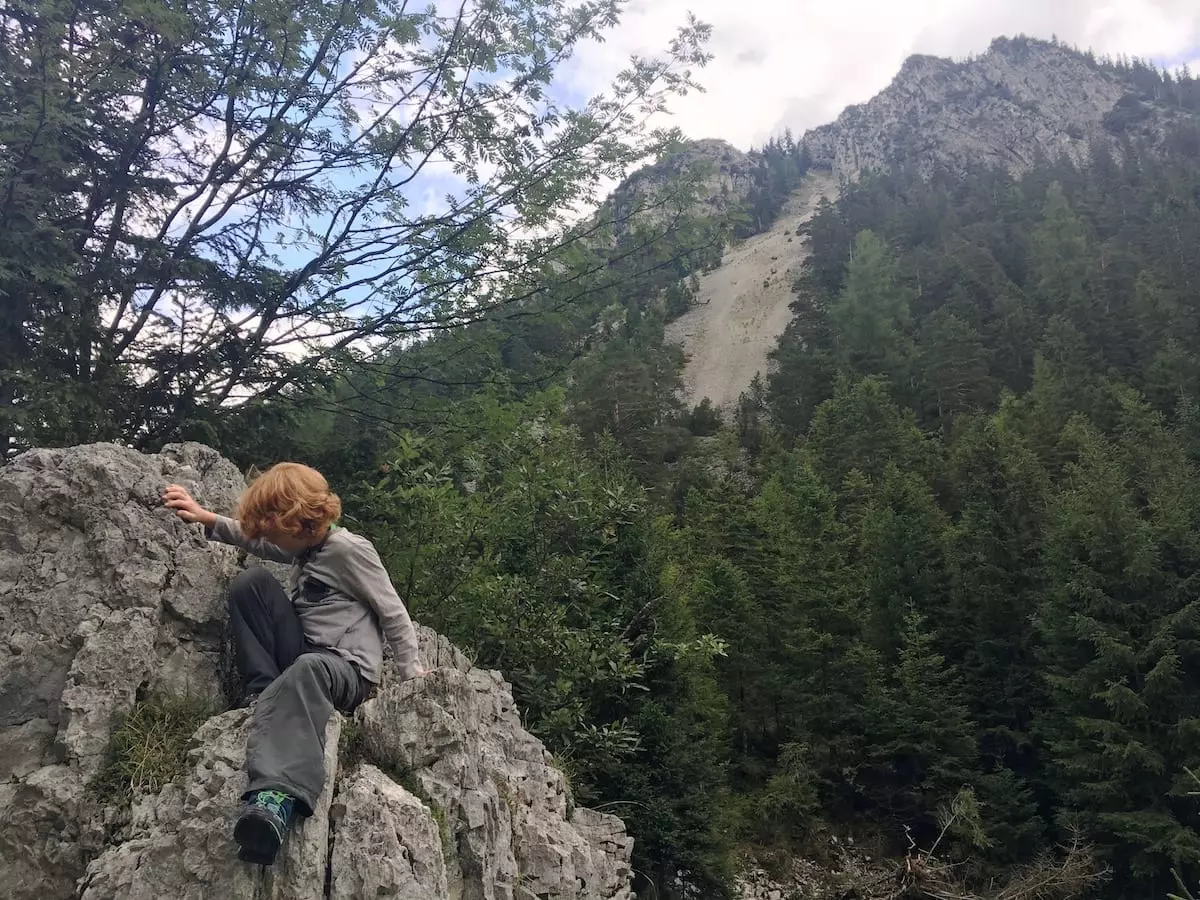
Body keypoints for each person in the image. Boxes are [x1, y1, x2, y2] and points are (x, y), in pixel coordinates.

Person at [163, 463, 426, 865]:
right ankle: (264, 693)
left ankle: (276, 797)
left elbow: (393, 612)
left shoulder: (349, 550)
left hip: (344, 670)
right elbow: (257, 543)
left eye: (270, 527)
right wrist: (207, 518)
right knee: (251, 583)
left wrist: (412, 674)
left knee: (309, 668)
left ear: (296, 520)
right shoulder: (303, 548)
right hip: (305, 656)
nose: (265, 537)